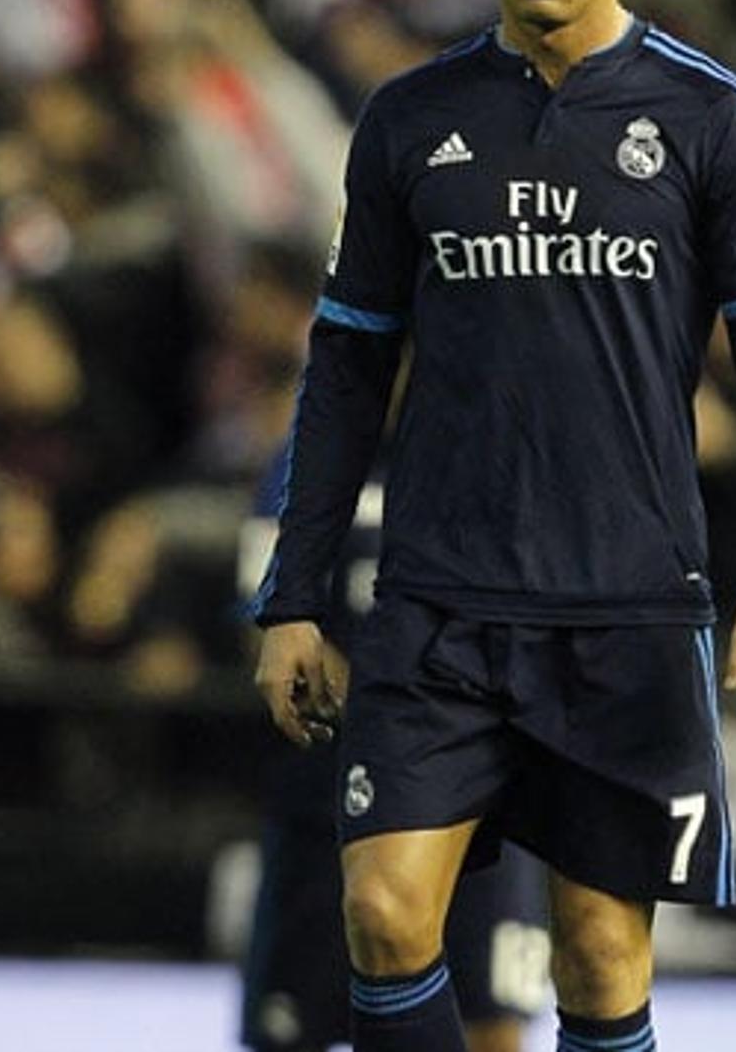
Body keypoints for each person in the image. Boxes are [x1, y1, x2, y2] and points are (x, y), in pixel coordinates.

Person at [250, 0, 736, 1052]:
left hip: (626, 602)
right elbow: (344, 371)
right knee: (385, 914)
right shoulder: (410, 118)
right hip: (438, 602)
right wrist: (294, 596)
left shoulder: (713, 118)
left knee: (599, 953)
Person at [240, 445, 549, 1052]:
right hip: (326, 795)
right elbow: (266, 621)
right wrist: (394, 713)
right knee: (294, 1026)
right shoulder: (307, 456)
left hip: (487, 788)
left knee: (493, 1014)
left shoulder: (507, 444)